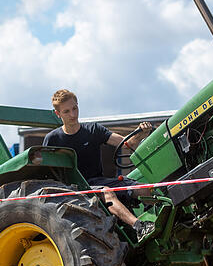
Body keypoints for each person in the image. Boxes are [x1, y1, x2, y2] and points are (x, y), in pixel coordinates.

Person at [42, 89, 154, 239]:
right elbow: (45, 173)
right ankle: (139, 226)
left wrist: (141, 134)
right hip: (74, 189)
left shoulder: (92, 129)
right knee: (107, 192)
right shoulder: (53, 139)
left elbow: (125, 145)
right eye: (67, 111)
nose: (73, 115)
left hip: (98, 181)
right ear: (58, 114)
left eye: (75, 108)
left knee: (144, 189)